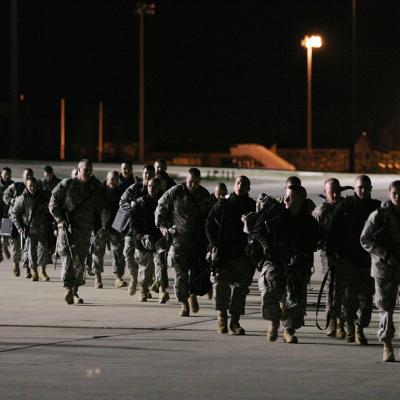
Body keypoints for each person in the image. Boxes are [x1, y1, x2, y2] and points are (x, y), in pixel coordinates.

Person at [258, 185, 319, 343]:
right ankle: (274, 321)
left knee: (296, 299)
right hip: (275, 259)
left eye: (291, 197)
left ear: (300, 200)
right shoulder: (275, 213)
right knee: (268, 291)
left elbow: (314, 242)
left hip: (297, 265)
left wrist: (302, 255)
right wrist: (267, 247)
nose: (286, 199)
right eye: (286, 196)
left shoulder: (308, 222)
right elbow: (258, 230)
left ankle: (288, 330)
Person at [328, 175, 380, 345]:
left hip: (368, 261)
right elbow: (332, 232)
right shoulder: (344, 206)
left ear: (371, 188)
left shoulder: (377, 208)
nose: (363, 191)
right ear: (354, 188)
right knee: (349, 299)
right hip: (347, 261)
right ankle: (350, 326)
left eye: (366, 187)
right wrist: (333, 256)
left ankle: (360, 327)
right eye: (360, 187)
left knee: (366, 299)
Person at [155, 168, 213, 317]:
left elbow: (211, 217)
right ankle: (184, 303)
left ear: (199, 180)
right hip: (179, 240)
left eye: (194, 181)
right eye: (189, 181)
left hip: (197, 241)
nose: (191, 184)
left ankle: (192, 294)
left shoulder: (204, 195)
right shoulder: (176, 192)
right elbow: (160, 207)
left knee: (196, 273)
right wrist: (161, 226)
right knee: (180, 274)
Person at [205, 176, 256, 335]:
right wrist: (213, 244)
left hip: (243, 255)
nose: (240, 186)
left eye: (244, 184)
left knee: (240, 289)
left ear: (249, 188)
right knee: (221, 286)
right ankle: (222, 318)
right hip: (224, 253)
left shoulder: (252, 206)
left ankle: (235, 321)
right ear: (234, 185)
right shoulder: (223, 204)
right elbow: (209, 224)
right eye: (238, 183)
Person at [49, 159, 102, 305]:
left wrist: (99, 225)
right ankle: (67, 289)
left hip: (85, 230)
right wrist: (60, 219)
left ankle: (75, 291)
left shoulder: (94, 187)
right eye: (86, 169)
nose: (88, 172)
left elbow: (100, 207)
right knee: (68, 258)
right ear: (78, 170)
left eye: (90, 169)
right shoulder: (67, 185)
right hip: (67, 229)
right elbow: (52, 203)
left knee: (81, 261)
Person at [360, 180, 400, 362]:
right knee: (385, 307)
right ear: (390, 194)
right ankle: (387, 345)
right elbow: (365, 239)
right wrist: (384, 254)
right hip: (384, 268)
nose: (398, 198)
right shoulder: (379, 216)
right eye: (395, 194)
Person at [312, 178, 346, 338]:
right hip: (329, 254)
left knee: (347, 288)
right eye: (330, 191)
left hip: (348, 254)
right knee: (332, 288)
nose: (334, 194)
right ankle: (333, 321)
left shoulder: (347, 207)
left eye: (336, 190)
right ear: (325, 193)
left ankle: (344, 322)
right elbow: (313, 234)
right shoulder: (321, 211)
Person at [130, 177, 169, 303]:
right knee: (145, 268)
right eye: (150, 186)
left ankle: (162, 290)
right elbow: (133, 222)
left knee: (161, 266)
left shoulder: (163, 203)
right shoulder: (139, 203)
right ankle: (143, 290)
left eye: (155, 186)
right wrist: (140, 236)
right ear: (147, 186)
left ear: (159, 188)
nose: (152, 188)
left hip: (159, 240)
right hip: (143, 240)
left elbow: (169, 219)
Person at [120, 165, 156, 295]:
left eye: (151, 174)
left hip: (149, 229)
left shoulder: (156, 188)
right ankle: (133, 278)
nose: (148, 176)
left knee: (148, 257)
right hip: (133, 227)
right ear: (143, 174)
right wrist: (133, 207)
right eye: (146, 173)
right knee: (128, 252)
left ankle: (145, 283)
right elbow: (122, 202)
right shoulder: (135, 188)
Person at [11, 177, 52, 282]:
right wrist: (19, 228)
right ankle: (34, 271)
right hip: (29, 228)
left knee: (43, 249)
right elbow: (14, 214)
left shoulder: (43, 196)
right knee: (31, 250)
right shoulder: (22, 199)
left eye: (34, 186)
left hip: (42, 227)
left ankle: (42, 271)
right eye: (30, 186)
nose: (33, 188)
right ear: (26, 186)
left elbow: (51, 206)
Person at [92, 171, 125, 289]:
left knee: (118, 253)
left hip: (116, 227)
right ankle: (97, 277)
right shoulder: (99, 192)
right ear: (107, 179)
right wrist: (96, 228)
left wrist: (120, 227)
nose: (114, 182)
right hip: (101, 227)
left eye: (116, 180)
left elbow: (123, 210)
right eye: (112, 179)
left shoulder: (121, 192)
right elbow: (94, 211)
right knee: (97, 253)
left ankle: (118, 277)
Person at [3, 168, 34, 277]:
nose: (28, 177)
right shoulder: (16, 186)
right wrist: (13, 201)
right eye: (26, 175)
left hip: (28, 221)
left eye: (30, 175)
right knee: (15, 244)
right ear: (23, 177)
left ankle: (28, 269)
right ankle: (16, 263)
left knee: (28, 245)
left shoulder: (34, 187)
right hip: (14, 219)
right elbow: (5, 196)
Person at [0, 167, 14, 263]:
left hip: (7, 214)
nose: (7, 176)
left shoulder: (13, 186)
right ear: (1, 174)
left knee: (5, 235)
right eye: (5, 174)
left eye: (8, 174)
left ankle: (4, 247)